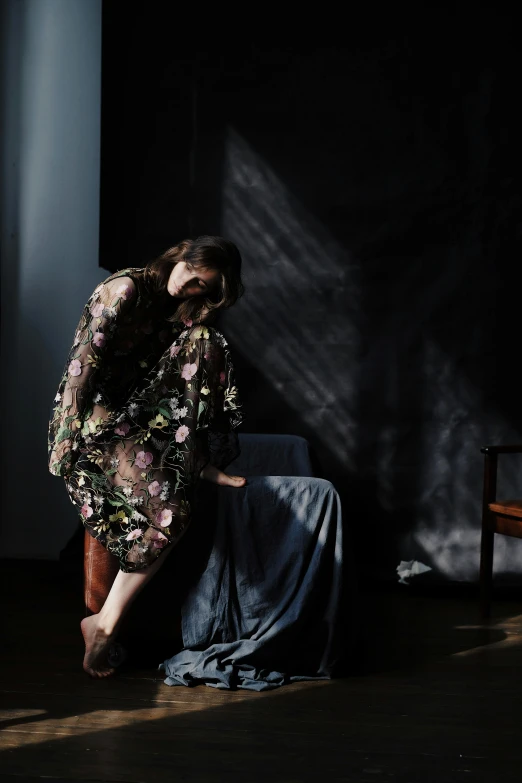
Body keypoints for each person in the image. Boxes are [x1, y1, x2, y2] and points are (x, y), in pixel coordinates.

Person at [47, 235, 247, 678]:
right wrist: (66, 437)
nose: (191, 288)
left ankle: (104, 623)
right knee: (168, 504)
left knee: (205, 340)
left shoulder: (178, 311)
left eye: (203, 287)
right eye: (193, 276)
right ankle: (104, 623)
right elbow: (82, 365)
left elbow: (175, 381)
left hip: (138, 421)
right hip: (92, 425)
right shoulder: (126, 289)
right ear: (183, 253)